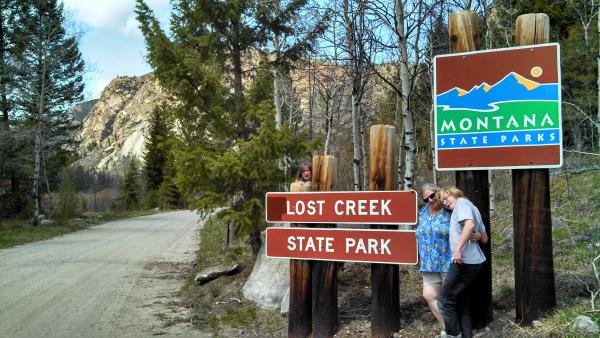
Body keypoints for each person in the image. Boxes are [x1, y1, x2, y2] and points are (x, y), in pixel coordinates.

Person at [437, 186, 488, 338]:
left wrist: (458, 249)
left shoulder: (462, 204)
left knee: (445, 298)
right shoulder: (473, 207)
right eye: (443, 201)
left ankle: (453, 334)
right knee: (462, 301)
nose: (445, 202)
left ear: (455, 193)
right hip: (473, 261)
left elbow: (469, 225)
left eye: (447, 198)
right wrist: (477, 236)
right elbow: (484, 238)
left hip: (463, 260)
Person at [416, 183, 452, 333]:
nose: (430, 200)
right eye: (426, 199)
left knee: (449, 299)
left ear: (439, 192)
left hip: (448, 262)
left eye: (432, 195)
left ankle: (457, 330)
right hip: (428, 263)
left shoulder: (450, 211)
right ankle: (448, 330)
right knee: (429, 295)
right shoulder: (421, 213)